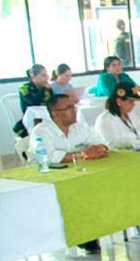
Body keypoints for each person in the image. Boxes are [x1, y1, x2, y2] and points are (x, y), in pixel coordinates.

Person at [30, 95, 108, 252]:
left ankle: (91, 231)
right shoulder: (42, 131)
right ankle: (82, 234)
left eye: (74, 107)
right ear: (55, 113)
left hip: (78, 174)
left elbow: (100, 141)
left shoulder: (78, 127)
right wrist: (82, 155)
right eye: (68, 108)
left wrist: (99, 149)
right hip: (48, 179)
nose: (74, 111)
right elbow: (48, 157)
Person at [94, 84, 140, 151]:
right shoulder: (105, 119)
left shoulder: (131, 115)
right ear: (119, 102)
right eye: (131, 101)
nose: (134, 104)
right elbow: (114, 143)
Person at [13, 64, 55, 137]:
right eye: (43, 75)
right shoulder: (24, 88)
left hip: (46, 117)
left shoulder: (47, 87)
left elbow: (54, 102)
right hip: (31, 120)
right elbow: (34, 103)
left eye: (47, 75)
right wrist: (43, 89)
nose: (47, 77)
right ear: (33, 76)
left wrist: (50, 90)